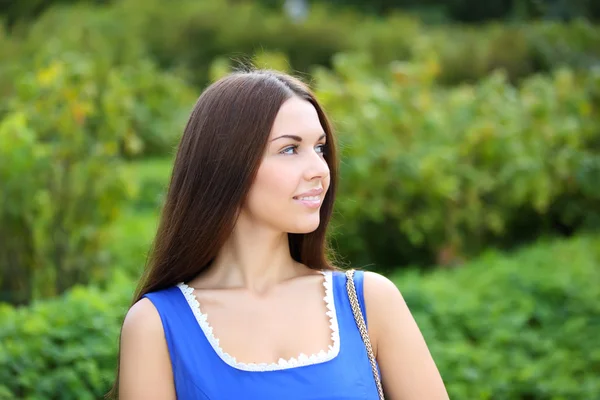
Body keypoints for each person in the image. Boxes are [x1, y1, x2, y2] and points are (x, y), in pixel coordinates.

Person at [108, 69, 449, 399]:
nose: (319, 170)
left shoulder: (369, 301)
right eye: (290, 149)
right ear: (228, 165)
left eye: (319, 148)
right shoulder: (156, 325)